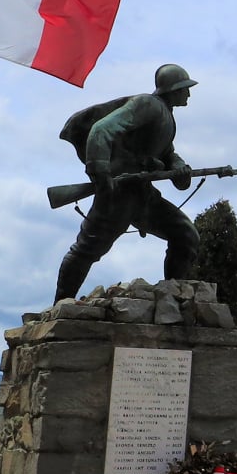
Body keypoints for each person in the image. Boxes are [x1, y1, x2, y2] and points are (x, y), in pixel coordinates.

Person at [53, 63, 204, 302]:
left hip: (143, 194)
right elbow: (100, 131)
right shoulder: (148, 105)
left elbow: (167, 153)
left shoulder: (166, 116)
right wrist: (101, 175)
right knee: (87, 249)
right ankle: (61, 304)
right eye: (185, 88)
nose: (188, 93)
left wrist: (178, 167)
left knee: (186, 235)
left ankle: (173, 298)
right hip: (119, 193)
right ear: (173, 89)